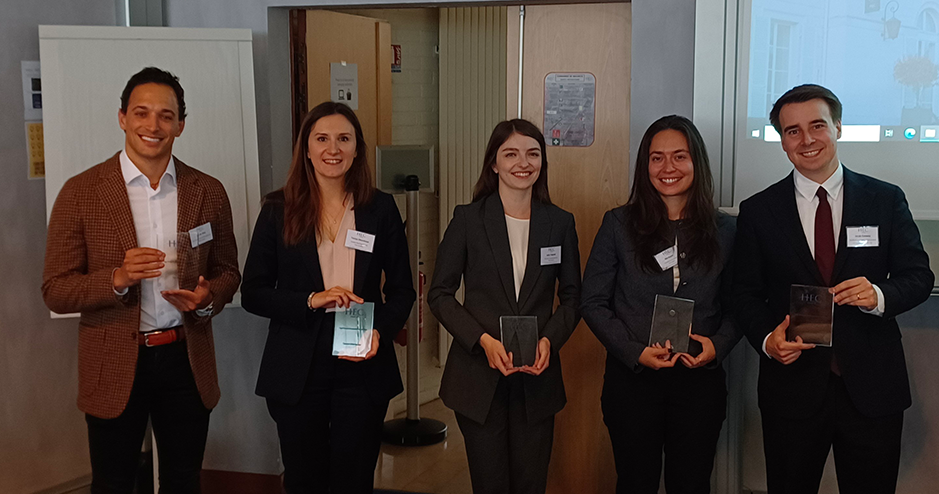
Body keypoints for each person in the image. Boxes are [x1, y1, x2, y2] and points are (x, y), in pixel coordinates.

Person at [41, 67, 241, 493]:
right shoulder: (81, 192)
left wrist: (208, 299)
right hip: (113, 360)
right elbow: (55, 290)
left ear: (181, 125)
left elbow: (228, 271)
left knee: (182, 480)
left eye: (166, 116)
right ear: (122, 118)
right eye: (142, 113)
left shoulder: (207, 190)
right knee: (113, 483)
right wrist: (115, 278)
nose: (153, 125)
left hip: (186, 359)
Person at [734, 84, 934, 493]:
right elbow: (743, 293)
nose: (806, 140)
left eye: (817, 125)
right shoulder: (758, 211)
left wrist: (879, 296)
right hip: (792, 389)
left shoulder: (885, 199)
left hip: (872, 388)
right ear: (782, 140)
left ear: (838, 128)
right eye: (792, 131)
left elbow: (919, 277)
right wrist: (769, 340)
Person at [241, 101, 415, 494]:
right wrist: (310, 299)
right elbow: (253, 292)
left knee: (354, 479)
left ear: (357, 149)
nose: (332, 149)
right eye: (321, 139)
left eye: (343, 139)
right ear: (306, 148)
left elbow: (403, 289)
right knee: (305, 479)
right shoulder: (277, 208)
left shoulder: (380, 208)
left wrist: (380, 331)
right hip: (298, 364)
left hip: (362, 360)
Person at [581, 115, 738, 494]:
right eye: (657, 158)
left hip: (699, 380)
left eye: (679, 157)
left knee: (692, 482)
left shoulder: (726, 230)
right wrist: (634, 352)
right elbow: (593, 301)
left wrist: (716, 346)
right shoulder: (618, 224)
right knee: (636, 482)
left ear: (696, 163)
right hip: (633, 381)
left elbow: (740, 304)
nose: (668, 168)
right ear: (644, 164)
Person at [428, 119, 581, 494]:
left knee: (531, 484)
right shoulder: (467, 219)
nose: (522, 163)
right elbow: (440, 294)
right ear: (493, 164)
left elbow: (574, 297)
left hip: (537, 376)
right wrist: (481, 340)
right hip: (478, 378)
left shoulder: (559, 223)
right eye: (510, 154)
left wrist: (549, 341)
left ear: (542, 161)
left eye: (532, 153)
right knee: (490, 484)